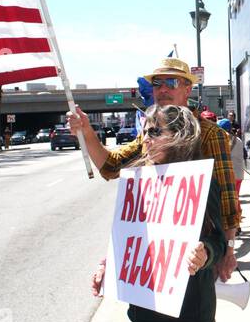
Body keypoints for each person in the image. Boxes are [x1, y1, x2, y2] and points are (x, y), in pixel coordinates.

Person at [68, 57, 240, 281]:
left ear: (188, 89)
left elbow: (227, 198)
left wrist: (227, 249)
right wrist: (87, 131)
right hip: (158, 254)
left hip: (197, 254)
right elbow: (111, 167)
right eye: (157, 83)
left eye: (172, 82)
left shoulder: (210, 134)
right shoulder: (150, 132)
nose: (163, 89)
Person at [90, 105, 227, 322]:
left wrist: (205, 253)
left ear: (180, 136)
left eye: (155, 132)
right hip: (143, 311)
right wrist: (110, 267)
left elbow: (219, 241)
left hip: (189, 312)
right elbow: (130, 239)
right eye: (144, 132)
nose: (146, 139)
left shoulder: (200, 181)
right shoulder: (138, 182)